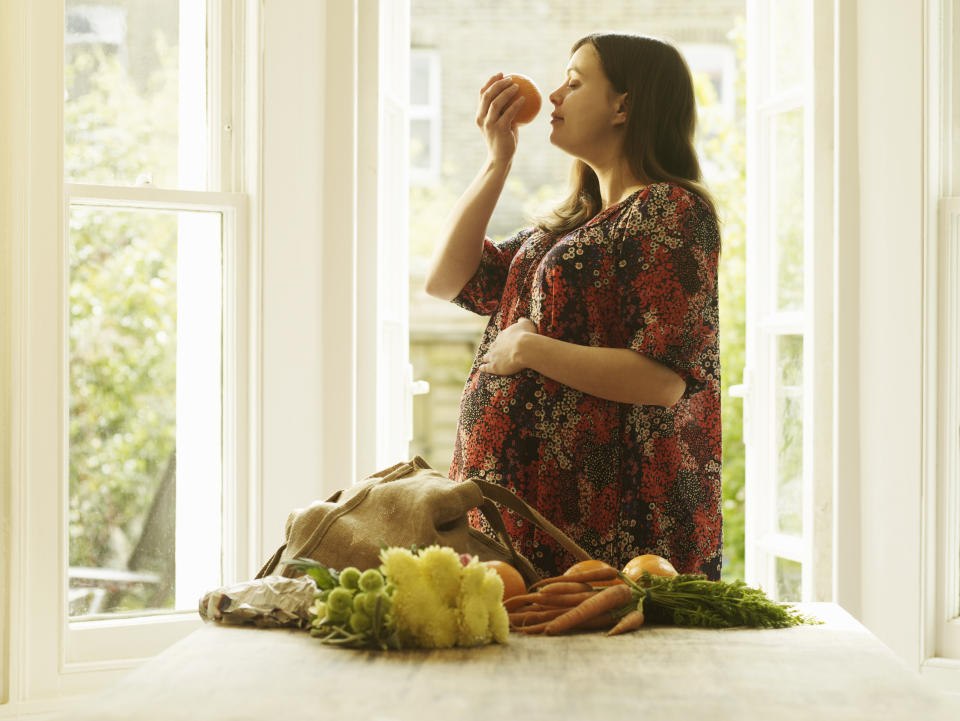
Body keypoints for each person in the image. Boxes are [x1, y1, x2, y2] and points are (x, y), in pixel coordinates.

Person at [424, 32, 723, 581]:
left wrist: (530, 349)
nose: (555, 96)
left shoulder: (670, 211)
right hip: (515, 514)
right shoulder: (564, 226)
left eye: (575, 81)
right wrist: (498, 161)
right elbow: (447, 279)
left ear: (624, 105)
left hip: (604, 525)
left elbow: (664, 380)